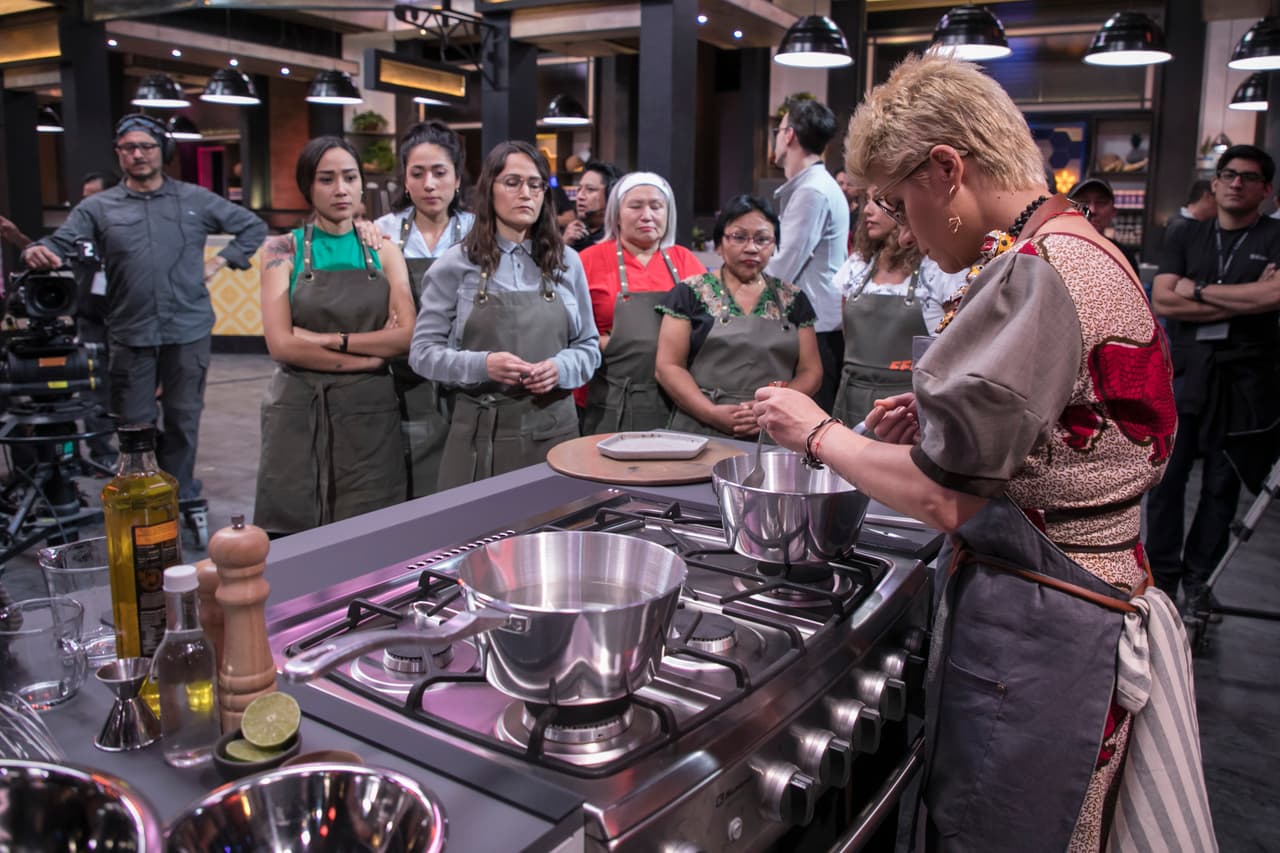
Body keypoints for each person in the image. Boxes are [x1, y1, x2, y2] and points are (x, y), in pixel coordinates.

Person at [754, 54, 1204, 853]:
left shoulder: (1036, 272)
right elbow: (1067, 425)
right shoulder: (1082, 244)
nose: (903, 224)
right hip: (1092, 590)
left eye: (899, 201)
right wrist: (939, 412)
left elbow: (945, 499)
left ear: (947, 169)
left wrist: (817, 432)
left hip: (1044, 620)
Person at [21, 114, 267, 509]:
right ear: (119, 154)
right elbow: (61, 241)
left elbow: (252, 226)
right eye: (129, 148)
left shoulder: (195, 199)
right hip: (130, 331)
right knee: (133, 422)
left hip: (188, 328)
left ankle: (179, 490)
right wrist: (37, 250)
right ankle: (142, 492)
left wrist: (220, 261)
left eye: (146, 147)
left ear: (162, 151)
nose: (138, 154)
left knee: (183, 418)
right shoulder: (99, 208)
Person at [409, 141, 600, 489]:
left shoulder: (566, 263)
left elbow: (589, 347)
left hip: (554, 435)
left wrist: (561, 368)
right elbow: (422, 355)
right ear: (489, 190)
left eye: (535, 183)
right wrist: (483, 364)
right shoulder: (455, 264)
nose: (525, 193)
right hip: (482, 438)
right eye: (512, 182)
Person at [253, 137, 414, 535]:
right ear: (308, 186)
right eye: (326, 179)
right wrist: (369, 355)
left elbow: (406, 337)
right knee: (294, 532)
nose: (340, 189)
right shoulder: (280, 250)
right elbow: (281, 344)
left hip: (370, 416)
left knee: (371, 536)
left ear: (362, 184)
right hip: (298, 414)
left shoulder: (385, 252)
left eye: (349, 177)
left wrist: (327, 340)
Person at [1147, 144, 1280, 614]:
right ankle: (1161, 578)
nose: (1236, 183)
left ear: (1265, 189)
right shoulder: (1186, 234)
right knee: (1166, 483)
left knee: (1221, 490)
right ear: (1216, 182)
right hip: (1186, 377)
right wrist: (1246, 295)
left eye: (1247, 177)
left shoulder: (1275, 236)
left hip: (1244, 384)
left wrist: (1200, 291)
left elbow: (1275, 296)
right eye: (1228, 174)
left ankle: (1201, 578)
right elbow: (1164, 300)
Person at [655, 195, 821, 438]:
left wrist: (774, 408)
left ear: (774, 246)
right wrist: (711, 412)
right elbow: (668, 366)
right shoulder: (689, 293)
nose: (751, 248)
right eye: (739, 237)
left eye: (763, 239)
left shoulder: (793, 299)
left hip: (775, 429)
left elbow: (811, 371)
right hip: (700, 427)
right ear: (720, 244)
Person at [374, 120, 475, 498]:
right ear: (405, 181)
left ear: (457, 178)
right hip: (402, 376)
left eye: (439, 172)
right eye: (418, 174)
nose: (429, 184)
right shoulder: (381, 232)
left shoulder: (480, 232)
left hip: (465, 374)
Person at [578, 172, 705, 433]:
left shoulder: (685, 261)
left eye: (656, 206)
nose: (647, 215)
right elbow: (567, 330)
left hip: (675, 398)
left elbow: (710, 326)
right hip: (607, 398)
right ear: (616, 214)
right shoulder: (587, 261)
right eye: (635, 206)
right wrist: (609, 343)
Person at [830, 188, 965, 426]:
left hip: (908, 402)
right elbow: (848, 334)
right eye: (866, 201)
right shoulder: (857, 266)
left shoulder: (936, 269)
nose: (867, 211)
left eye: (879, 201)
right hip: (852, 396)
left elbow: (953, 345)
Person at [767, 96, 849, 412]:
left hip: (816, 326)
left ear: (789, 135)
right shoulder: (814, 185)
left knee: (809, 419)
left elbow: (785, 264)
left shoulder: (811, 190)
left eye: (779, 129)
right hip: (817, 320)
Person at [72, 171, 120, 468]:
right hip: (91, 325)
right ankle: (102, 455)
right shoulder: (80, 232)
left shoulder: (125, 233)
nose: (85, 202)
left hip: (126, 326)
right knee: (94, 395)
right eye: (84, 195)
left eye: (93, 195)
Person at [1068, 178, 1140, 271]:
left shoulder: (1123, 257)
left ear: (1113, 212)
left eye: (1101, 203)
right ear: (1068, 209)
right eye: (1083, 202)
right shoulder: (1053, 252)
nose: (1092, 210)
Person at [563, 160, 620, 253]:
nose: (580, 196)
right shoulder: (573, 236)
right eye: (579, 189)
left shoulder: (619, 239)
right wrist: (564, 245)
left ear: (610, 194)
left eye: (590, 189)